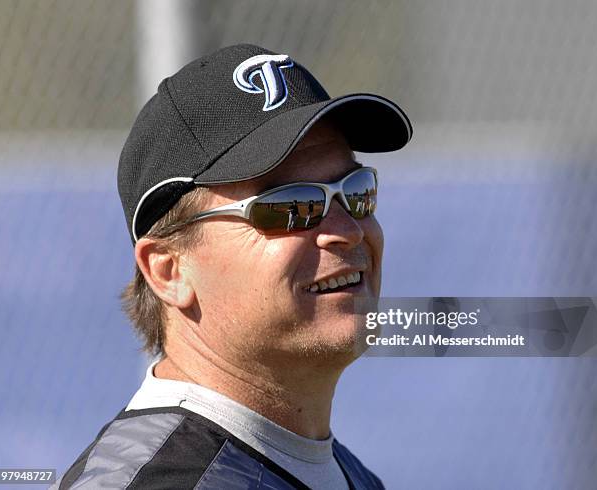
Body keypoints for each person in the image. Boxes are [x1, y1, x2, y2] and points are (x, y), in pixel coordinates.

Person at [52, 44, 412, 489]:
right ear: (169, 270)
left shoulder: (341, 472)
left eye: (357, 191)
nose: (348, 230)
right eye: (291, 206)